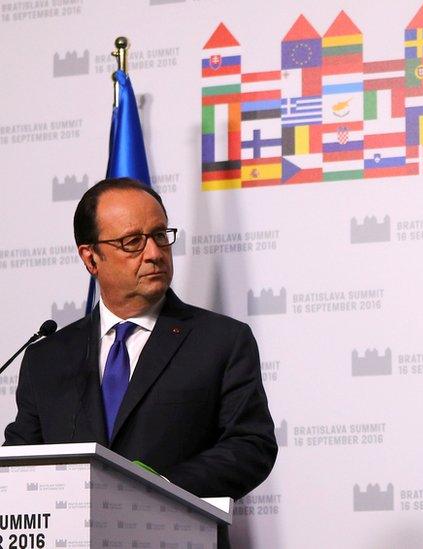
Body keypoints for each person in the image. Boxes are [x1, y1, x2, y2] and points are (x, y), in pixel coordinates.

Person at [4, 177, 277, 548]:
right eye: (132, 242)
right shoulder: (47, 357)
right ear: (90, 258)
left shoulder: (221, 341)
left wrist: (159, 488)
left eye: (160, 235)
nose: (154, 253)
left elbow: (251, 445)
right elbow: (22, 461)